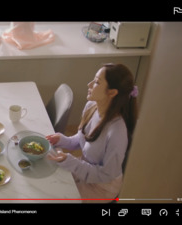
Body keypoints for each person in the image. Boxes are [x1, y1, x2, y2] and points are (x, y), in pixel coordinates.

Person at [46, 63, 138, 202]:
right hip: (86, 170)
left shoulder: (117, 132)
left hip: (101, 187)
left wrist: (72, 163)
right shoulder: (91, 107)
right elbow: (83, 139)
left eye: (96, 82)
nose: (89, 84)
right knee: (49, 180)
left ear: (112, 92)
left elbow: (107, 175)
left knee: (55, 197)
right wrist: (62, 139)